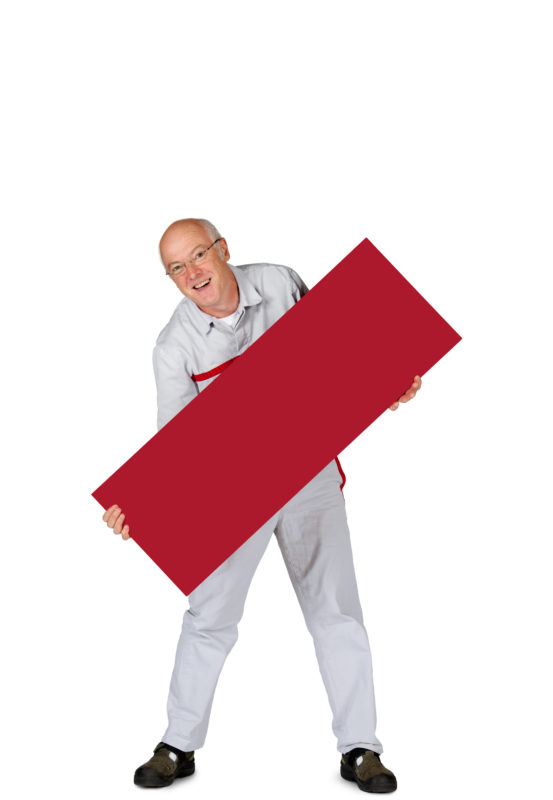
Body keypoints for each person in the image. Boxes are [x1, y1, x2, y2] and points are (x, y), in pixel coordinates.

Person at [102, 218, 422, 792]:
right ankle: (179, 745)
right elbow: (173, 446)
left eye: (197, 255)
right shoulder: (173, 346)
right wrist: (140, 505)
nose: (191, 273)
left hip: (308, 474)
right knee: (209, 618)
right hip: (232, 492)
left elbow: (343, 348)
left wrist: (390, 377)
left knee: (337, 613)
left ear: (223, 249)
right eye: (175, 268)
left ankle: (359, 750)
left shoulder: (279, 282)